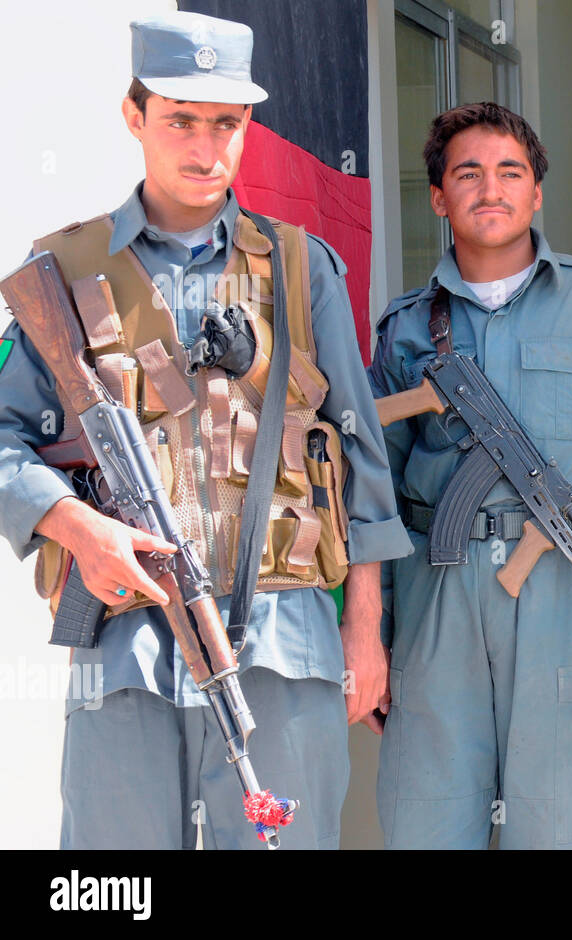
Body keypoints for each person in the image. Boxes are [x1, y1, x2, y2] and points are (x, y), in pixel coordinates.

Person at [0, 11, 409, 848]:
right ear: (134, 116)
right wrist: (77, 527)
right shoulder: (61, 273)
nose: (204, 145)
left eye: (225, 123)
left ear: (247, 128)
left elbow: (360, 458)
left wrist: (363, 633)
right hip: (124, 646)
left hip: (283, 646)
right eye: (180, 119)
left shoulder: (303, 268)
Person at [369, 101, 572, 849]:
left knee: (558, 818)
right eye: (468, 174)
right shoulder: (408, 325)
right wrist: (373, 628)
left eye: (511, 172)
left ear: (536, 192)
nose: (491, 189)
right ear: (438, 197)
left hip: (561, 585)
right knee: (428, 816)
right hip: (435, 587)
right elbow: (374, 487)